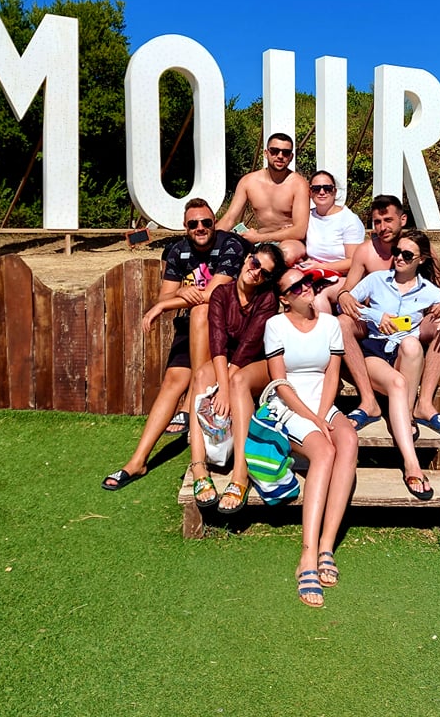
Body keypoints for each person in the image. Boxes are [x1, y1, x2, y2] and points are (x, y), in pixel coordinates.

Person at [101, 198, 245, 491]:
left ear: (214, 223)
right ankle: (138, 460)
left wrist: (163, 306)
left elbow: (213, 294)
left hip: (228, 328)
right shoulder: (178, 250)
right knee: (171, 380)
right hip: (192, 328)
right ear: (185, 227)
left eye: (206, 222)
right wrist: (179, 293)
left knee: (201, 310)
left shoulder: (231, 246)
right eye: (193, 224)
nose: (200, 228)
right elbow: (164, 295)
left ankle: (192, 399)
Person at [341, 230, 440, 500]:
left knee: (411, 343)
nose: (399, 258)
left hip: (404, 354)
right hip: (376, 350)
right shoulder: (376, 280)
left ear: (421, 260)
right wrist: (375, 315)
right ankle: (412, 463)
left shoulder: (429, 291)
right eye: (397, 252)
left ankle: (408, 414)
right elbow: (346, 303)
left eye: (407, 255)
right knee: (397, 381)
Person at [263, 268, 358, 608]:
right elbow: (280, 383)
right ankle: (307, 555)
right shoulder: (275, 326)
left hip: (323, 403)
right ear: (284, 299)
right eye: (296, 287)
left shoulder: (331, 324)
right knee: (324, 452)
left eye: (307, 282)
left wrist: (324, 413)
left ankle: (326, 548)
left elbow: (332, 374)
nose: (305, 288)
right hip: (288, 406)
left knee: (348, 440)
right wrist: (314, 419)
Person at [337, 195, 440, 433]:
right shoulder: (366, 252)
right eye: (377, 221)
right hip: (374, 327)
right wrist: (344, 296)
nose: (383, 227)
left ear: (402, 219)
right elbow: (348, 292)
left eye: (388, 220)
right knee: (342, 322)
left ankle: (424, 404)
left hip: (410, 327)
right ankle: (368, 401)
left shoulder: (420, 246)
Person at [187, 244, 286, 513]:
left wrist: (226, 388)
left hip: (257, 362)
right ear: (246, 260)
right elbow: (217, 342)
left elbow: (250, 346)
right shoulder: (221, 293)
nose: (256, 272)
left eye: (265, 273)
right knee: (201, 375)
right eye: (255, 263)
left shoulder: (267, 299)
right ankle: (198, 467)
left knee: (239, 381)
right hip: (228, 361)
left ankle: (240, 474)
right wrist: (221, 386)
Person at [216, 132, 310, 245]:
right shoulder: (249, 181)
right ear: (266, 153)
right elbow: (229, 218)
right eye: (274, 151)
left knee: (289, 251)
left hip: (287, 241)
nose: (280, 156)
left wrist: (259, 238)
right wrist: (209, 242)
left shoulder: (299, 184)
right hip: (258, 240)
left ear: (291, 157)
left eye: (286, 152)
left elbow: (299, 231)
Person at [298, 170, 365, 314]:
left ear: (334, 191)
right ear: (310, 192)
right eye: (316, 189)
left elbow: (354, 262)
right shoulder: (308, 216)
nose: (322, 192)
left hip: (344, 278)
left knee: (317, 297)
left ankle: (326, 328)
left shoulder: (349, 220)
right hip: (313, 273)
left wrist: (322, 266)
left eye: (327, 188)